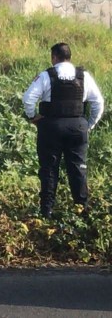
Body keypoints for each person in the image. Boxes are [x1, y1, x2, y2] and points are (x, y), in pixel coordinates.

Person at [22, 43, 104, 218]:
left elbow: (28, 99)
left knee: (49, 169)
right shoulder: (84, 76)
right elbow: (98, 103)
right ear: (70, 57)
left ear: (54, 57)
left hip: (51, 127)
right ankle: (81, 210)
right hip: (77, 127)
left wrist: (33, 117)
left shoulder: (46, 75)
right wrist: (89, 124)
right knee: (78, 168)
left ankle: (47, 211)